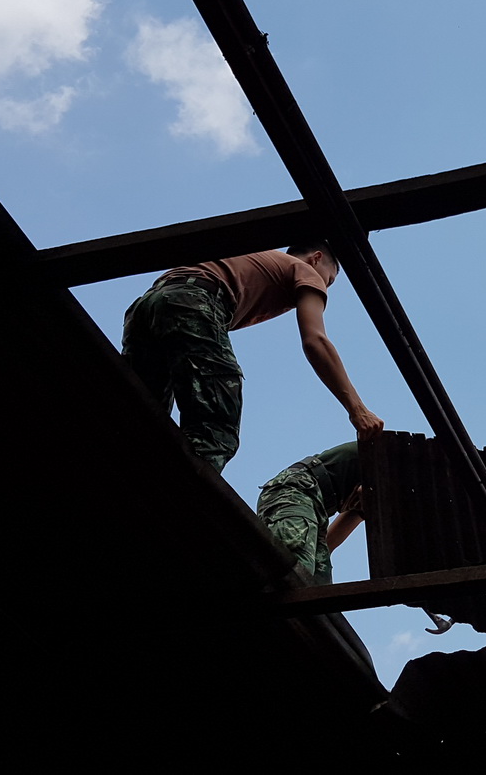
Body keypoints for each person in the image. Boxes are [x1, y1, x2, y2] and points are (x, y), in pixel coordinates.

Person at [122, 241, 384, 473]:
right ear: (316, 258)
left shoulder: (258, 257)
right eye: (329, 280)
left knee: (145, 417)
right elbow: (316, 341)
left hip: (147, 304)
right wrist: (357, 410)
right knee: (215, 431)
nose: (326, 286)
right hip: (193, 302)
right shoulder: (303, 269)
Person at [257, 441, 366, 584]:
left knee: (318, 587)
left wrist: (318, 557)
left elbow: (330, 541)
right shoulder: (399, 458)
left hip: (318, 510)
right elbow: (367, 493)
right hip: (296, 490)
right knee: (293, 574)